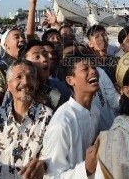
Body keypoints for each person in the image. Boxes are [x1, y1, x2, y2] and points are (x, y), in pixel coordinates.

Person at [41, 50, 101, 178]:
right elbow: (53, 175)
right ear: (70, 80)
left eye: (93, 67)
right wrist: (86, 169)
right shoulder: (62, 124)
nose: (93, 71)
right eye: (85, 69)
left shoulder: (94, 109)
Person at [0, 28, 26, 92]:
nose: (22, 39)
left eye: (23, 37)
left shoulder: (31, 68)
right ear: (6, 45)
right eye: (16, 37)